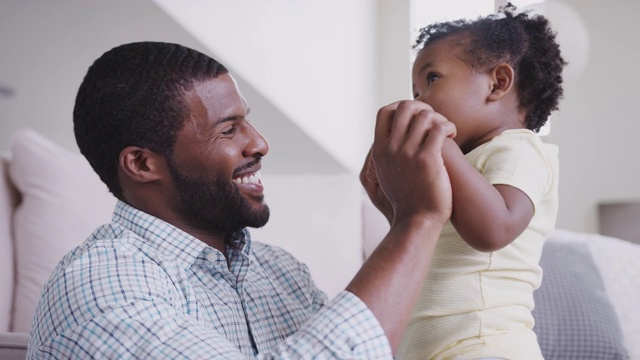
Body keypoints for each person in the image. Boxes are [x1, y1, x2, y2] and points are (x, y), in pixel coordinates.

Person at [26, 41, 456, 359]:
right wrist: (415, 222)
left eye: (247, 121)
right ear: (141, 164)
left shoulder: (280, 273)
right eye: (228, 129)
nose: (261, 143)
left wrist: (407, 225)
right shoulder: (103, 289)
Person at [393, 4, 566, 360]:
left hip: (486, 344)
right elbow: (429, 239)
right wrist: (392, 201)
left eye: (432, 79)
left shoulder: (519, 149)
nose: (420, 100)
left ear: (498, 83)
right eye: (414, 92)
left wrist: (441, 143)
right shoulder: (457, 165)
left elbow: (494, 229)